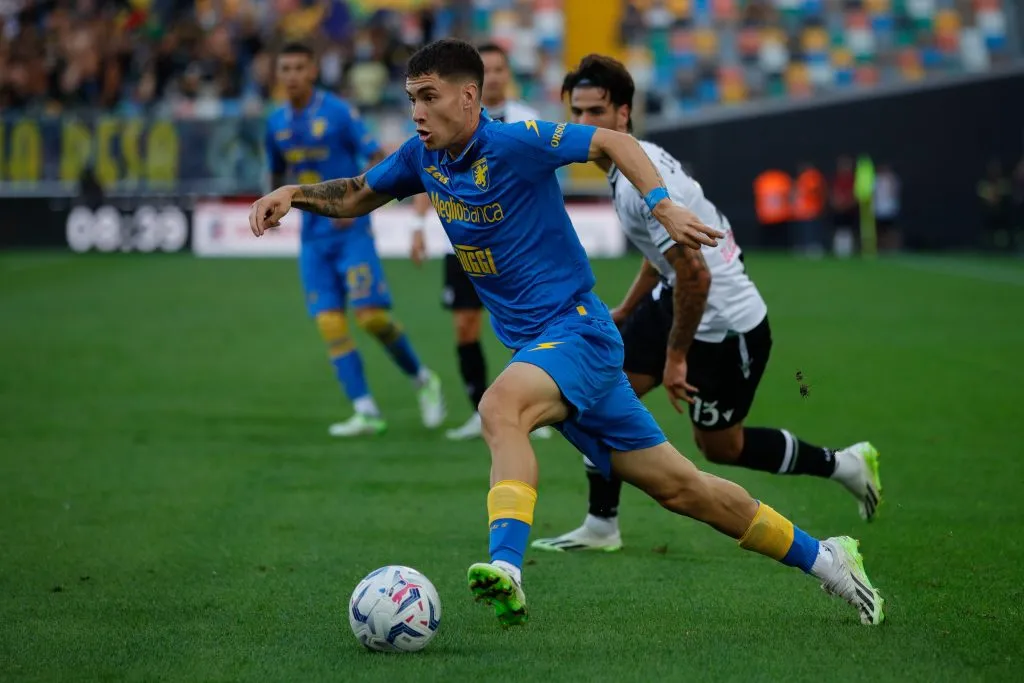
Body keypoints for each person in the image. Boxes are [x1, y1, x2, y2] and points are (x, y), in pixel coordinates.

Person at [250, 39, 884, 629]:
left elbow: (615, 144)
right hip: (548, 348)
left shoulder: (517, 142)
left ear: (468, 98)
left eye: (429, 96)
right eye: (411, 98)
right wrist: (293, 194)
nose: (416, 111)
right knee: (685, 490)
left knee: (500, 409)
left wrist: (661, 203)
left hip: (576, 332)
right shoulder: (423, 157)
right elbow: (359, 192)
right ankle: (827, 559)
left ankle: (505, 567)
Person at [530, 55, 882, 555]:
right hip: (679, 299)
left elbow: (695, 274)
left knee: (721, 447)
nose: (584, 125)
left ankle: (843, 464)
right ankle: (601, 525)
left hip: (726, 325)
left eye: (596, 113)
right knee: (598, 391)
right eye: (577, 113)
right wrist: (627, 311)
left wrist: (676, 359)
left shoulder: (638, 183)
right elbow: (663, 259)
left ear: (624, 114)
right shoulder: (633, 162)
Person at [264, 42, 445, 437]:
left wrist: (357, 206)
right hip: (312, 238)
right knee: (330, 323)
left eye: (299, 67)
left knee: (371, 317)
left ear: (313, 70)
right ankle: (365, 410)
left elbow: (377, 155)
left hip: (350, 234)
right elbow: (277, 174)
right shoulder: (274, 122)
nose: (292, 75)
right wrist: (273, 206)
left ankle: (423, 379)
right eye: (285, 68)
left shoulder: (338, 113)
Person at [407, 42, 553, 442]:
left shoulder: (526, 121)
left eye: (500, 69)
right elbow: (425, 173)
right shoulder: (444, 124)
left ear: (506, 75)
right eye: (487, 68)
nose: (495, 76)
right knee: (466, 326)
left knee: (525, 325)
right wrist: (418, 226)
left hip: (515, 247)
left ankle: (532, 409)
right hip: (464, 245)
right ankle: (479, 410)